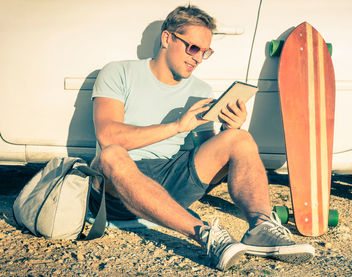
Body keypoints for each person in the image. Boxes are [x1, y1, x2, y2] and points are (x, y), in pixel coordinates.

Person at [89, 5, 315, 271]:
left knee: (240, 139)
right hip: (121, 186)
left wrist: (230, 130)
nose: (198, 58)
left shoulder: (201, 90)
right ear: (167, 38)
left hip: (174, 180)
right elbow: (108, 135)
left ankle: (262, 227)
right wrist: (176, 126)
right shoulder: (119, 72)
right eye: (193, 48)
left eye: (206, 53)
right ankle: (205, 234)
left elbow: (207, 153)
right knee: (111, 155)